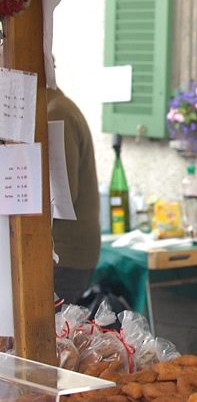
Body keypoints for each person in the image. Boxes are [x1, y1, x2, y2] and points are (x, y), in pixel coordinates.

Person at [47, 87, 101, 306]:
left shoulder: (56, 112)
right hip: (66, 253)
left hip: (63, 254)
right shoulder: (58, 108)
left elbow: (61, 195)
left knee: (50, 325)